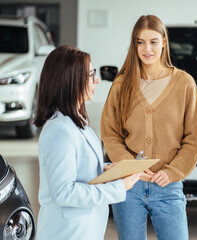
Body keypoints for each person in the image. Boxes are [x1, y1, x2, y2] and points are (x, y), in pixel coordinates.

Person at [101, 15, 197, 240]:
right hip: (129, 186)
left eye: (153, 41)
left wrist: (172, 172)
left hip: (168, 186)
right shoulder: (122, 84)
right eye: (140, 42)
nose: (146, 48)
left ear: (164, 42)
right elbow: (110, 132)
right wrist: (129, 167)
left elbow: (193, 137)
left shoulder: (185, 83)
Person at [34, 45, 140, 240]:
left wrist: (105, 170)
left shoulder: (76, 122)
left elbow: (78, 169)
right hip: (66, 232)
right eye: (91, 75)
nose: (97, 80)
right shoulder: (60, 131)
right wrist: (118, 187)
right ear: (71, 81)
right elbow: (64, 192)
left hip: (82, 230)